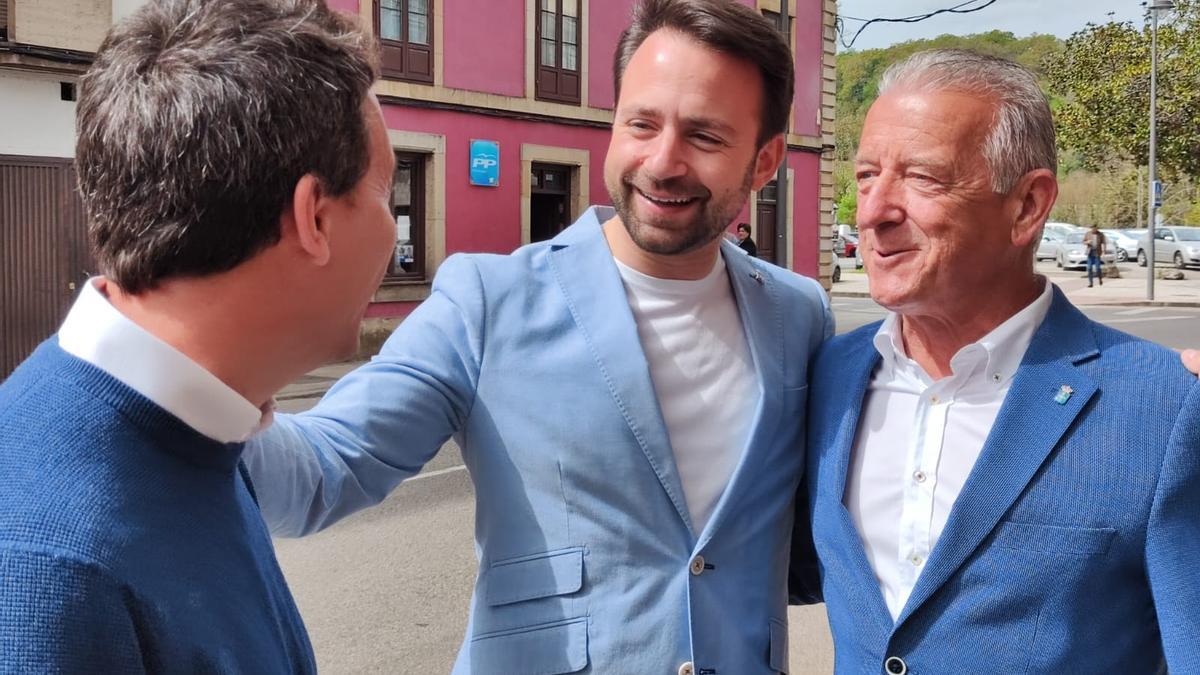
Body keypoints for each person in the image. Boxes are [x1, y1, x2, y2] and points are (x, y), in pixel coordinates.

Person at [243, 0, 830, 672]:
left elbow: (820, 534)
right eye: (641, 124)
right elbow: (318, 474)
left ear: (765, 162)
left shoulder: (798, 314)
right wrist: (201, 360)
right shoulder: (488, 301)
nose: (663, 161)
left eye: (705, 137)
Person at [0, 0, 391, 670]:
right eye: (386, 191)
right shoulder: (50, 570)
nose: (391, 229)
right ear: (314, 219)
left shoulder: (199, 422)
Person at [800, 49, 1199, 673]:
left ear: (1026, 206)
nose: (872, 212)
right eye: (866, 175)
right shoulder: (830, 373)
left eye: (923, 178)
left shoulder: (1167, 406)